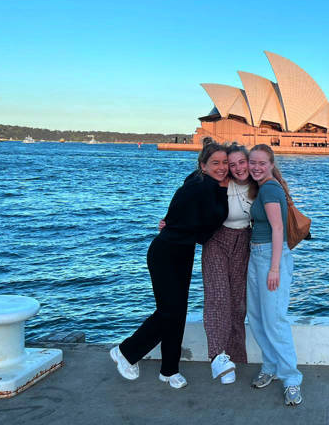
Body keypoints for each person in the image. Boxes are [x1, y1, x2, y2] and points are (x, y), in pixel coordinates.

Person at [110, 138, 229, 389]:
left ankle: (169, 369)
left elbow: (188, 220)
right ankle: (126, 352)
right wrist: (223, 188)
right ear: (203, 165)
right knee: (169, 312)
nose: (222, 167)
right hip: (166, 253)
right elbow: (214, 220)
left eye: (225, 163)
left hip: (180, 251)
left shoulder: (196, 181)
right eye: (215, 163)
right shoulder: (204, 186)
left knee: (177, 313)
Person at [247, 144, 303, 406]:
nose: (256, 167)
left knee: (274, 320)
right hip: (257, 255)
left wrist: (273, 268)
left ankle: (291, 379)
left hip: (270, 256)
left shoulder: (269, 188)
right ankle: (270, 365)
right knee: (257, 316)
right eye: (252, 162)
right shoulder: (262, 187)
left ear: (271, 164)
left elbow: (278, 229)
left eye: (261, 163)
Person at [202, 142, 258, 384]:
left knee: (238, 304)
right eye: (231, 164)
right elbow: (190, 194)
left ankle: (237, 358)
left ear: (249, 162)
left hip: (244, 242)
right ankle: (217, 356)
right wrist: (171, 220)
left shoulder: (259, 186)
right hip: (217, 240)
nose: (236, 168)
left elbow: (281, 204)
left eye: (240, 162)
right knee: (218, 297)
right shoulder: (220, 184)